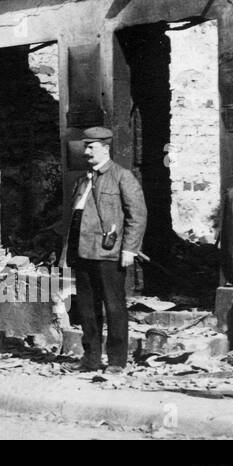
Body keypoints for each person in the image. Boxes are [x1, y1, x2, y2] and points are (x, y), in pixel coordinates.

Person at [60, 126, 147, 374]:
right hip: (82, 252)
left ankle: (117, 361)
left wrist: (129, 249)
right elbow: (77, 216)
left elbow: (137, 216)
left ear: (105, 148)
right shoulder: (83, 179)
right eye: (85, 146)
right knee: (87, 308)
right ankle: (91, 358)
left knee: (114, 307)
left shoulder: (122, 176)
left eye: (91, 147)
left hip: (108, 253)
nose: (86, 151)